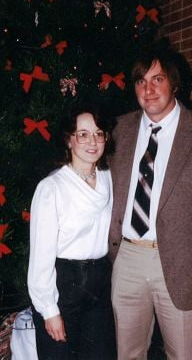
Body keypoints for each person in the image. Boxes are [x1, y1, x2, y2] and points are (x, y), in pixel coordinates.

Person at [108, 46, 192, 360]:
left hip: (185, 265)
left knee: (184, 355)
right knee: (128, 354)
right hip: (127, 259)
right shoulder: (120, 130)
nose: (148, 89)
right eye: (141, 81)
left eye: (157, 79)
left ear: (174, 84)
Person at [28, 102, 116, 360]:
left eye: (99, 133)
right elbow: (41, 257)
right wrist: (49, 310)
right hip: (64, 284)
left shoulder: (108, 177)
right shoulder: (52, 187)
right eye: (83, 134)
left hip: (99, 283)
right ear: (69, 140)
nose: (93, 141)